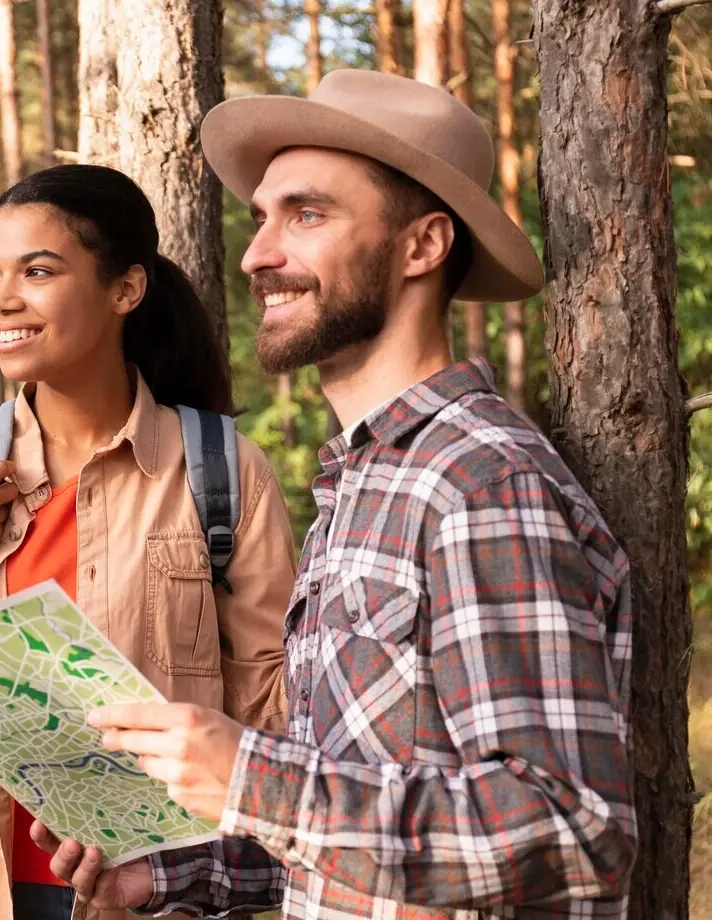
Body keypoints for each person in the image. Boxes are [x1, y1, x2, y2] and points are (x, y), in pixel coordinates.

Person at [34, 69, 636, 920]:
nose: (257, 254)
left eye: (307, 214)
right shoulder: (362, 485)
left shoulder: (478, 484)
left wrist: (253, 778)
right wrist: (178, 872)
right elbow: (355, 823)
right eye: (261, 219)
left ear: (421, 246)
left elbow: (572, 832)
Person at [0, 164, 299, 920]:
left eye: (39, 271)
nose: (1, 301)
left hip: (166, 894)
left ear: (125, 289)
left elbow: (269, 721)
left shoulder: (222, 473)